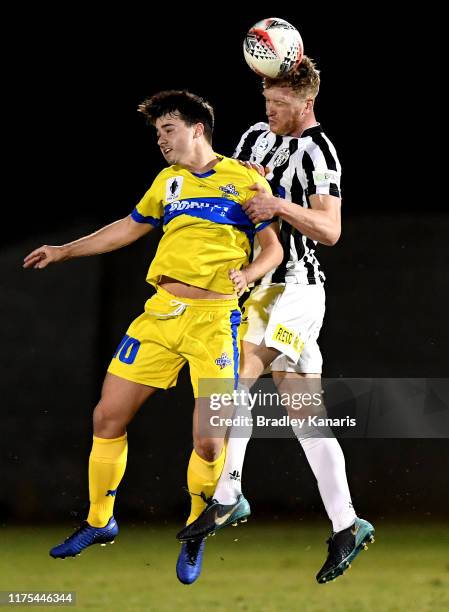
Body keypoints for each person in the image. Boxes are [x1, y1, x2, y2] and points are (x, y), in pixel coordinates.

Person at [23, 90, 283, 585]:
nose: (160, 140)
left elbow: (272, 248)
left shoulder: (244, 178)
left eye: (167, 130)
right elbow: (127, 228)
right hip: (160, 315)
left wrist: (249, 273)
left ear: (197, 129)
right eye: (157, 133)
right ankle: (100, 521)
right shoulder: (167, 183)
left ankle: (195, 528)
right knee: (107, 417)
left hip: (214, 323)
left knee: (208, 443)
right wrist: (64, 250)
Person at [176, 59, 375, 584]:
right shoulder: (255, 136)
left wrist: (277, 203)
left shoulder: (319, 150)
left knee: (242, 368)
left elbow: (329, 230)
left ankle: (228, 492)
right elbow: (233, 186)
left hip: (298, 294)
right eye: (266, 102)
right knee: (306, 415)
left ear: (306, 103)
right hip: (262, 291)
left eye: (280, 105)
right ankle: (346, 523)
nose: (269, 112)